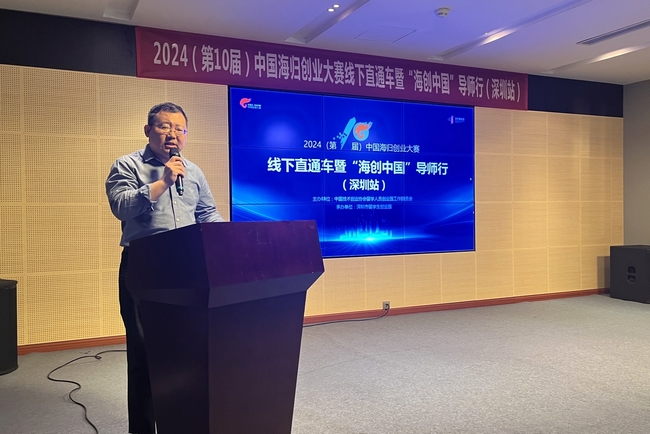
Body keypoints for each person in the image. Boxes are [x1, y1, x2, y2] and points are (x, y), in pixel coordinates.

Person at [105, 102, 225, 434]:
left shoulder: (193, 172)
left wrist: (230, 241)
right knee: (145, 354)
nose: (172, 134)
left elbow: (207, 214)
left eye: (179, 129)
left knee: (186, 352)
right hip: (144, 268)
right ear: (148, 130)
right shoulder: (127, 165)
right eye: (164, 126)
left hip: (187, 269)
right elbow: (121, 206)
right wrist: (163, 182)